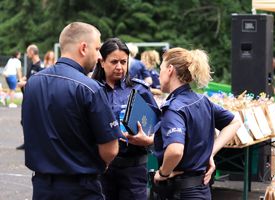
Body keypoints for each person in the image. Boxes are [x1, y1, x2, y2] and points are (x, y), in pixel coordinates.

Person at [22, 22, 122, 200]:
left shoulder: (32, 83)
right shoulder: (90, 88)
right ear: (83, 48)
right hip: (81, 188)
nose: (99, 56)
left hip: (42, 188)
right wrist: (102, 164)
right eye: (97, 48)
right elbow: (111, 148)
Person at [153, 47, 241, 199]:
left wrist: (162, 173)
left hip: (182, 192)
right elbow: (235, 122)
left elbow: (175, 150)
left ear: (169, 70)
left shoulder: (174, 108)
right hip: (202, 190)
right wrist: (210, 153)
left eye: (160, 69)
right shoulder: (203, 100)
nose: (158, 75)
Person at [92, 38, 158, 200]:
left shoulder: (139, 89)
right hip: (100, 170)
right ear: (101, 62)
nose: (119, 67)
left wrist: (149, 139)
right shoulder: (91, 90)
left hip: (134, 169)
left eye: (123, 62)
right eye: (114, 62)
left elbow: (158, 123)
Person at [16, 44, 43, 150]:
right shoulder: (32, 65)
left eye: (28, 52)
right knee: (24, 120)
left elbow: (37, 81)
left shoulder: (39, 66)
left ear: (32, 52)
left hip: (34, 98)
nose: (27, 54)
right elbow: (28, 77)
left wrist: (24, 83)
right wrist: (22, 80)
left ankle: (34, 143)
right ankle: (27, 141)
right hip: (27, 96)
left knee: (31, 120)